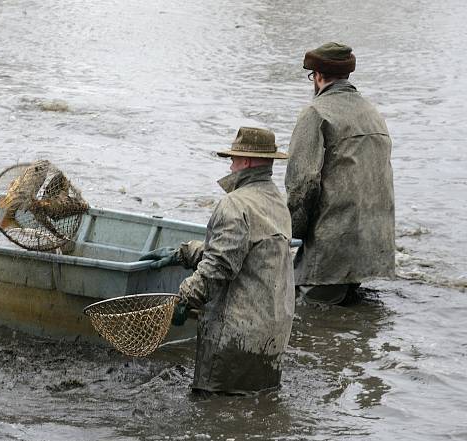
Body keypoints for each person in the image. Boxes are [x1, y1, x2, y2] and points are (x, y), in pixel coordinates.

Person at [140, 127, 294, 394]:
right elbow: (243, 253)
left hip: (235, 336)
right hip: (271, 335)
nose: (231, 166)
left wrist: (185, 300)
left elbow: (219, 267)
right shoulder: (276, 202)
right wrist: (185, 253)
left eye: (233, 159)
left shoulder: (235, 204)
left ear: (246, 161)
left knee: (213, 404)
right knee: (256, 404)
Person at [286, 42, 395, 306]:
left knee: (300, 311)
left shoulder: (315, 112)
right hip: (373, 243)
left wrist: (290, 235)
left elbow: (302, 184)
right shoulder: (372, 111)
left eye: (312, 76)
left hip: (332, 246)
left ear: (319, 76)